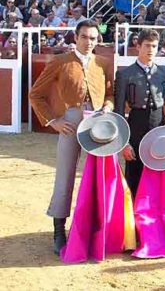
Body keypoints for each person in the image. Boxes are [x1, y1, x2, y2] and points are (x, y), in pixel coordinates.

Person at [29, 20, 114, 255]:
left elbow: (110, 94)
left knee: (98, 176)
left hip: (97, 122)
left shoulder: (103, 63)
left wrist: (107, 106)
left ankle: (94, 229)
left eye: (93, 38)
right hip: (71, 121)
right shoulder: (60, 61)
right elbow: (36, 94)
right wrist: (52, 120)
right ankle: (59, 231)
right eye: (85, 37)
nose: (89, 42)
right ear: (75, 38)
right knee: (65, 174)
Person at [114, 29, 165, 196]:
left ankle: (156, 216)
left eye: (154, 46)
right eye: (147, 46)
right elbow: (119, 110)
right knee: (134, 173)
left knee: (159, 172)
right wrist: (124, 142)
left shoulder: (164, 71)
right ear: (138, 46)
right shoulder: (125, 73)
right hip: (136, 125)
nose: (151, 50)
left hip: (159, 124)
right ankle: (134, 218)